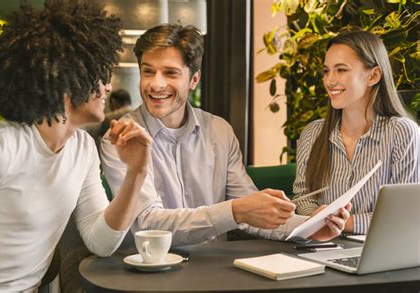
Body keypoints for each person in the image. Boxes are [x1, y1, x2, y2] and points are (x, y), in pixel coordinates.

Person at [0, 1, 152, 291]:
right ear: (70, 79)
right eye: (102, 74)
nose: (108, 87)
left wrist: (137, 172)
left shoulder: (83, 149)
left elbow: (101, 242)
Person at [100, 23, 350, 246]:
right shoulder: (120, 138)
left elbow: (253, 213)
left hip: (215, 271)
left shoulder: (219, 131)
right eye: (148, 71)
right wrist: (235, 211)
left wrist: (309, 226)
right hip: (147, 274)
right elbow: (147, 224)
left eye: (170, 73)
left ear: (194, 79)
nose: (156, 84)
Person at [292, 30, 419, 235]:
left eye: (341, 70)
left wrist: (345, 223)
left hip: (381, 251)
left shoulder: (402, 132)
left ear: (373, 75)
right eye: (326, 71)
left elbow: (404, 213)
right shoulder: (312, 133)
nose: (329, 81)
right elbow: (303, 196)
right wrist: (316, 217)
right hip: (323, 247)